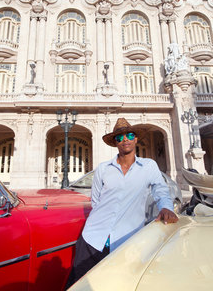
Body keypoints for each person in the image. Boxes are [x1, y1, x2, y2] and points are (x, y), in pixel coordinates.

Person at [65, 118, 178, 289]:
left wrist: (166, 207)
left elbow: (160, 190)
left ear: (136, 139)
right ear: (115, 143)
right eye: (119, 137)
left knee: (119, 284)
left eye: (129, 135)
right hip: (93, 238)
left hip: (127, 240)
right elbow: (96, 201)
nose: (125, 139)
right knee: (80, 284)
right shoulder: (103, 168)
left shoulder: (148, 166)